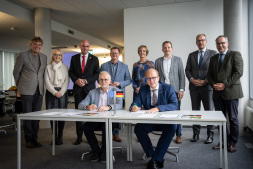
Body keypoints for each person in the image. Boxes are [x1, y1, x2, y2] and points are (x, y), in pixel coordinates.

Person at [130, 68, 178, 169]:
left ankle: (155, 159)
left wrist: (158, 108)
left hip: (166, 121)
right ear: (145, 80)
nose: (151, 81)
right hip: (150, 120)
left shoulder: (168, 88)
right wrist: (134, 107)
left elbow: (174, 105)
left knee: (172, 127)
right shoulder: (143, 89)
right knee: (138, 129)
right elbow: (135, 103)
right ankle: (155, 156)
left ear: (158, 78)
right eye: (148, 78)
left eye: (154, 78)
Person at [207, 35, 243, 153]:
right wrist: (214, 85)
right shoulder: (213, 58)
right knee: (220, 120)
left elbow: (238, 73)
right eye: (217, 44)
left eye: (222, 43)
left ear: (227, 43)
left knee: (232, 119)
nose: (220, 45)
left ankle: (232, 143)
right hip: (217, 93)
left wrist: (224, 84)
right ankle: (223, 141)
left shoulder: (235, 54)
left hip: (231, 92)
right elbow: (209, 75)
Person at [78, 71, 123, 163]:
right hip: (96, 119)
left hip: (111, 120)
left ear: (110, 81)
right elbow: (80, 104)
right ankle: (96, 150)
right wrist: (87, 107)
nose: (103, 81)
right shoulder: (92, 92)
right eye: (101, 80)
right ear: (98, 81)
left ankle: (105, 152)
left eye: (106, 79)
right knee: (86, 127)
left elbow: (120, 105)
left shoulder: (116, 91)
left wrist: (108, 107)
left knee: (106, 126)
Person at [13, 36, 47, 148]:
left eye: (39, 45)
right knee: (28, 115)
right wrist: (19, 87)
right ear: (31, 44)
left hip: (39, 90)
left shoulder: (44, 57)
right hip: (26, 90)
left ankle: (35, 139)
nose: (37, 46)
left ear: (41, 46)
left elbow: (42, 74)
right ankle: (28, 140)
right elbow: (16, 72)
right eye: (35, 44)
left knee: (36, 116)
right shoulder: (23, 55)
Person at [185, 34, 218, 144]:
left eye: (202, 40)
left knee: (209, 111)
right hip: (194, 87)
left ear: (206, 41)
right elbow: (187, 70)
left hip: (207, 87)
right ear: (196, 43)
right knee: (195, 111)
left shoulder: (213, 54)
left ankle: (210, 134)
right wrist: (192, 79)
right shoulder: (191, 55)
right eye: (198, 41)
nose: (201, 42)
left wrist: (206, 80)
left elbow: (215, 70)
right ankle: (195, 134)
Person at [69, 39, 99, 145]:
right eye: (83, 46)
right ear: (80, 46)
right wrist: (76, 80)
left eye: (87, 46)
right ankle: (79, 137)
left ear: (89, 47)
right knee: (79, 113)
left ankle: (90, 136)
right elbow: (71, 72)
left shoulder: (94, 59)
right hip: (78, 89)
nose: (85, 48)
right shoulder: (74, 58)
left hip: (90, 90)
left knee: (91, 112)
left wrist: (86, 81)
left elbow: (97, 74)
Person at [155, 41, 185, 144]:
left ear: (172, 48)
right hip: (162, 91)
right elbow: (156, 78)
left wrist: (181, 89)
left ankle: (179, 134)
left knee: (177, 112)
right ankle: (166, 133)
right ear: (162, 49)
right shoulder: (158, 61)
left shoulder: (178, 60)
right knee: (163, 111)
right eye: (165, 47)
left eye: (169, 47)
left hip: (175, 90)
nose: (167, 49)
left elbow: (182, 75)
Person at [100, 47, 131, 142]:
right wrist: (107, 83)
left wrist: (120, 84)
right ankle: (106, 134)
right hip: (107, 91)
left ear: (119, 54)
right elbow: (101, 78)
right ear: (110, 54)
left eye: (116, 53)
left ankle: (116, 134)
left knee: (117, 112)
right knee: (107, 111)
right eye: (112, 53)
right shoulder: (104, 66)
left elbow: (129, 80)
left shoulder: (124, 66)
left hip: (119, 91)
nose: (114, 55)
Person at [44, 49, 70, 145]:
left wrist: (61, 92)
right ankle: (54, 136)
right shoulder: (48, 67)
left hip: (62, 93)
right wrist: (55, 92)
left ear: (61, 56)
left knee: (61, 115)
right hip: (51, 93)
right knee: (52, 115)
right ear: (52, 56)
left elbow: (66, 82)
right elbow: (47, 82)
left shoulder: (65, 67)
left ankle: (60, 136)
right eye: (55, 54)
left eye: (59, 55)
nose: (57, 56)